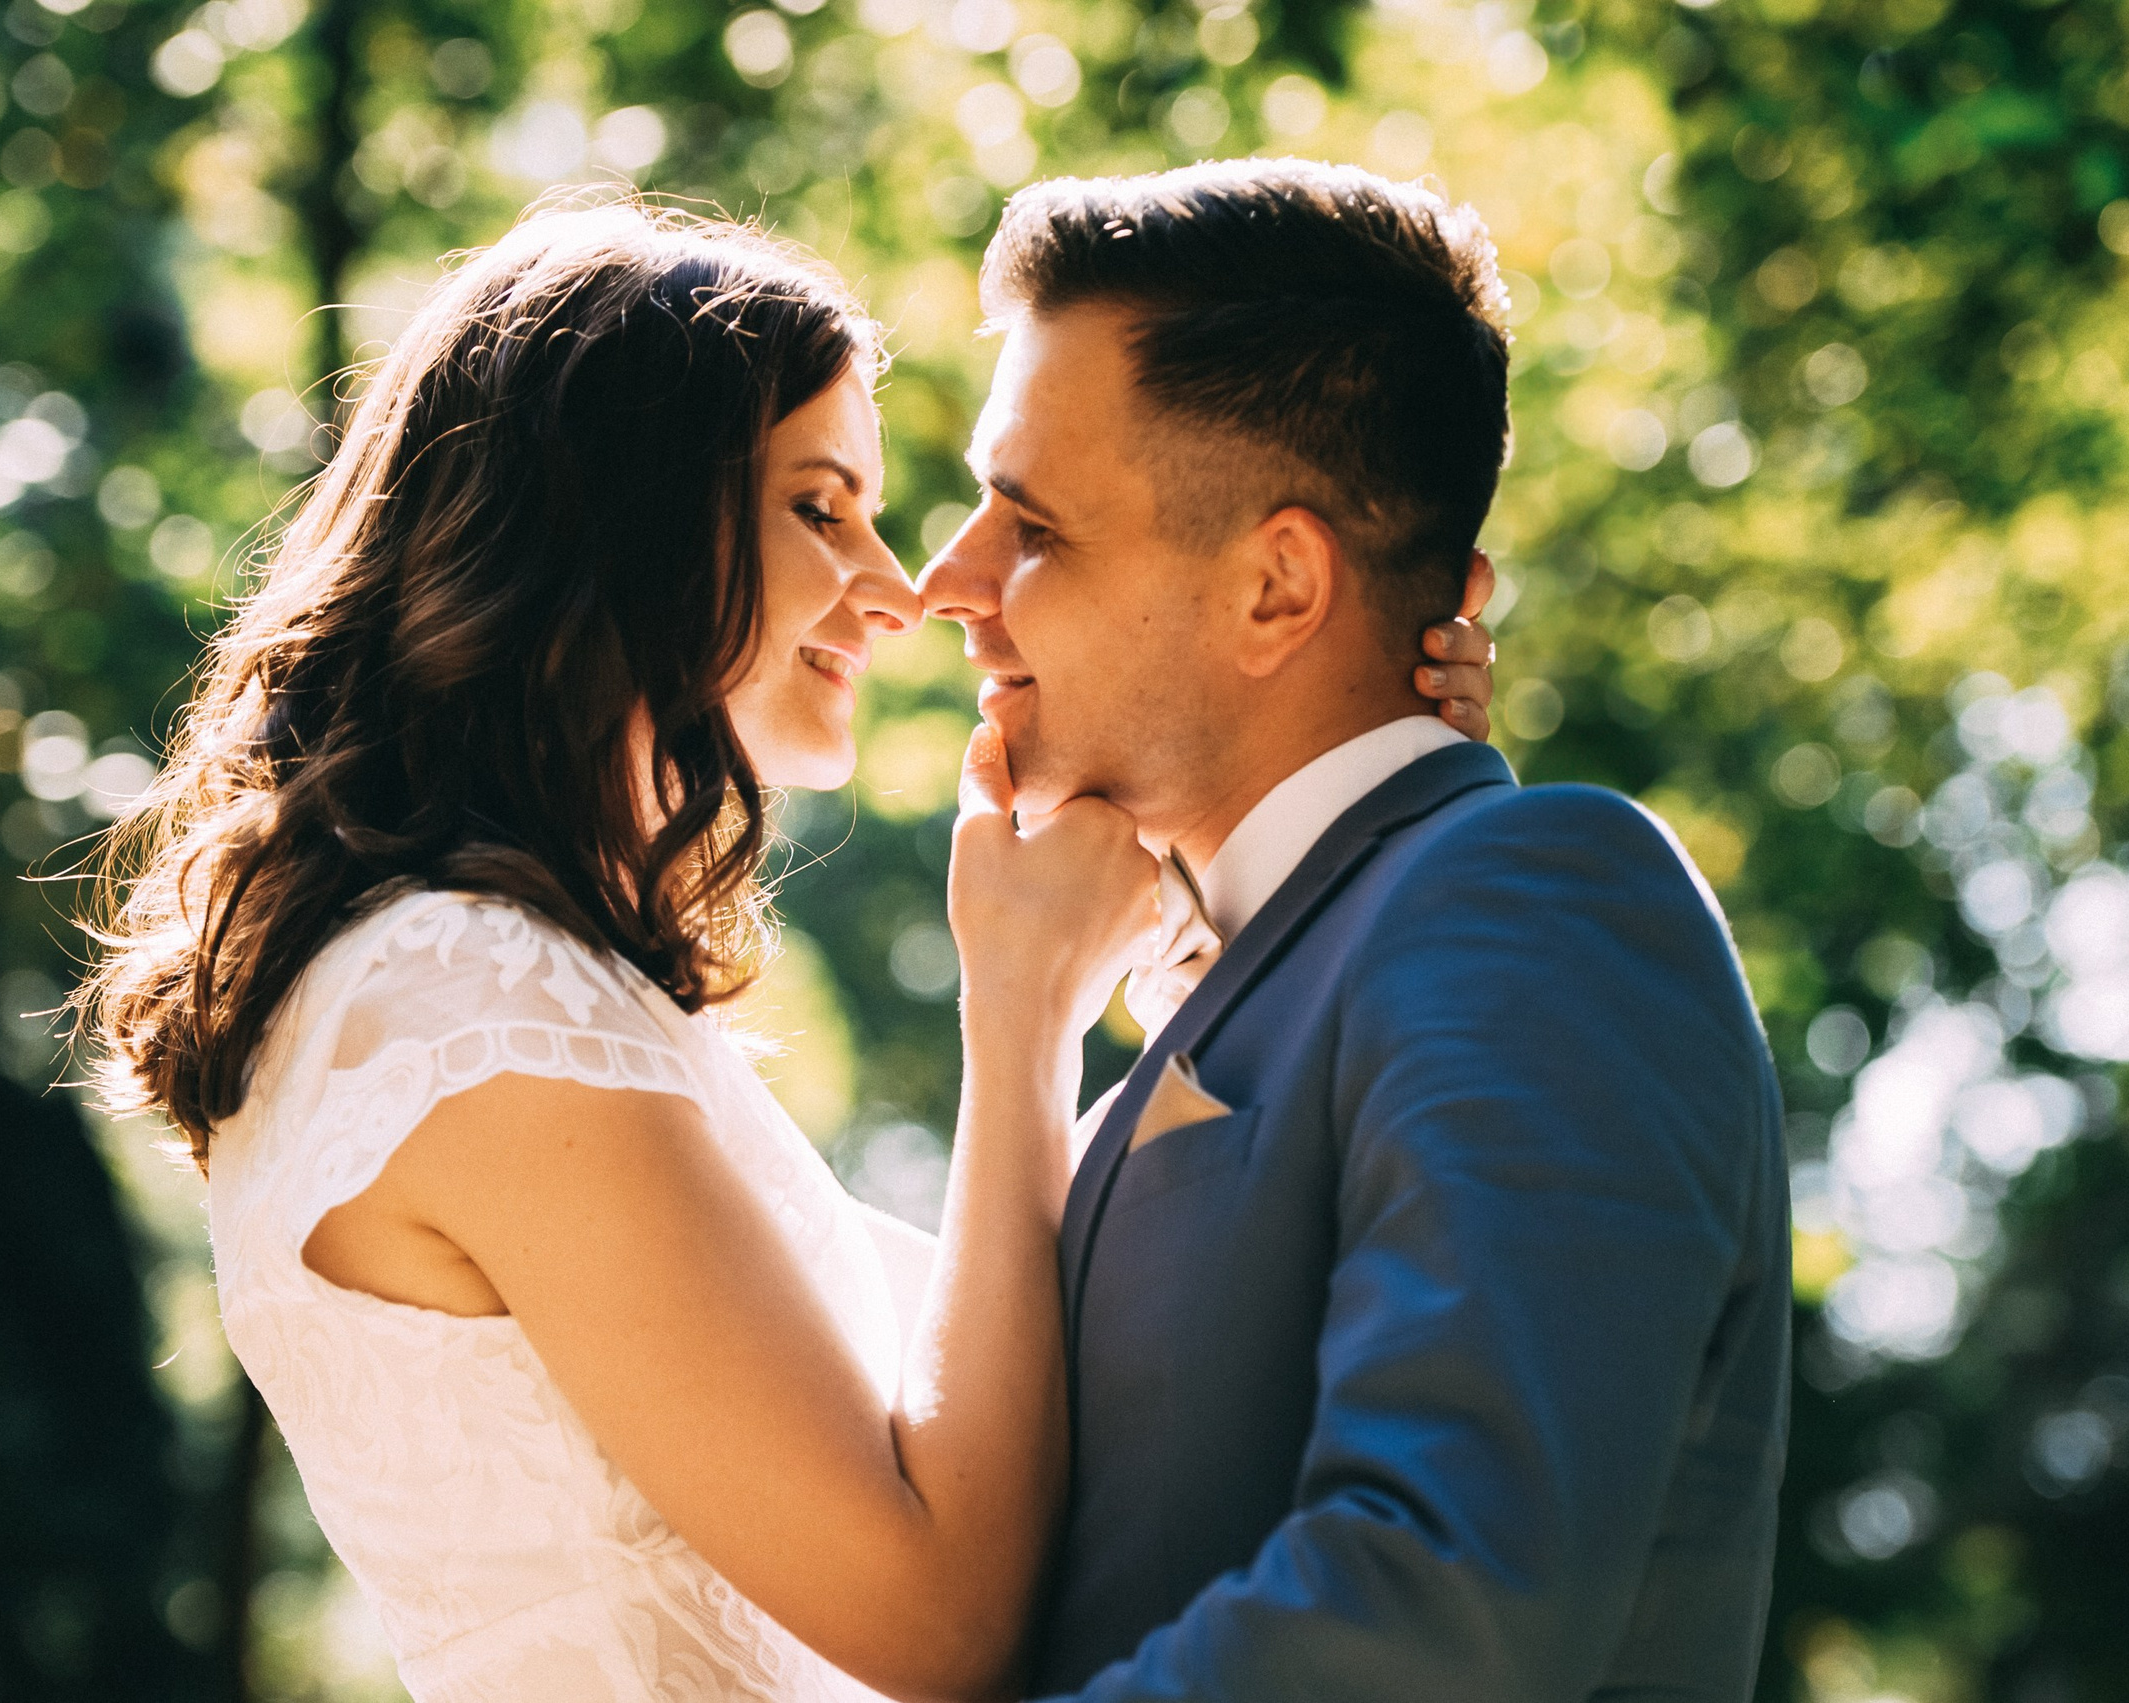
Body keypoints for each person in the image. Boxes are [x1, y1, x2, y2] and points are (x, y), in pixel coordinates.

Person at [78, 200, 1493, 1703]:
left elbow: (1050, 1396)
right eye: (821, 509)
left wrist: (1306, 800)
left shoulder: (508, 988)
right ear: (621, 518)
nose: (896, 587)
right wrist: (1019, 1009)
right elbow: (946, 1622)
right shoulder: (470, 1009)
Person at [916, 159, 1791, 1700]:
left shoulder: (1538, 901)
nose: (948, 582)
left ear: (1278, 588)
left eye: (1033, 525)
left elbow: (1445, 1599)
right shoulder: (1245, 990)